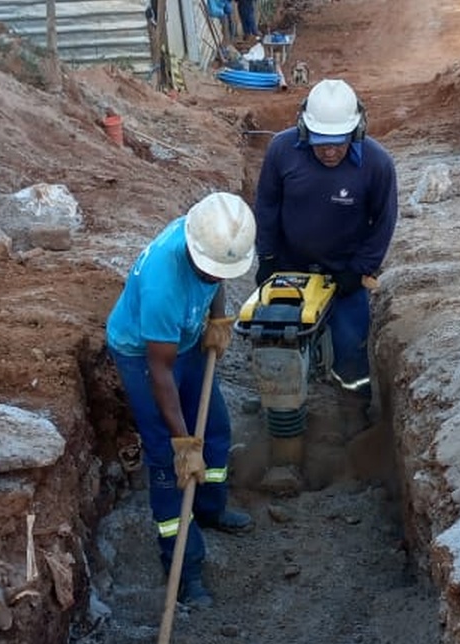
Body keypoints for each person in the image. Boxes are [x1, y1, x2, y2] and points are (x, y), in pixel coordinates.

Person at [105, 192, 256, 608]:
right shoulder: (162, 285)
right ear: (193, 250)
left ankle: (209, 508)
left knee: (216, 428)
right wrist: (182, 442)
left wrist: (218, 319)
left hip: (183, 341)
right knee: (168, 464)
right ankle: (184, 567)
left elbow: (217, 277)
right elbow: (160, 372)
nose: (214, 276)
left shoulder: (214, 239)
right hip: (144, 355)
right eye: (208, 270)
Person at [253, 78, 398, 405]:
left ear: (357, 131)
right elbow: (266, 206)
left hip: (344, 273)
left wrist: (360, 269)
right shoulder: (281, 151)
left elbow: (384, 223)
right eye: (320, 142)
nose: (330, 151)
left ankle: (353, 409)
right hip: (290, 269)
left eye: (338, 142)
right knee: (278, 341)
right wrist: (268, 257)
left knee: (350, 346)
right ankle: (286, 405)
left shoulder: (377, 165)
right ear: (304, 130)